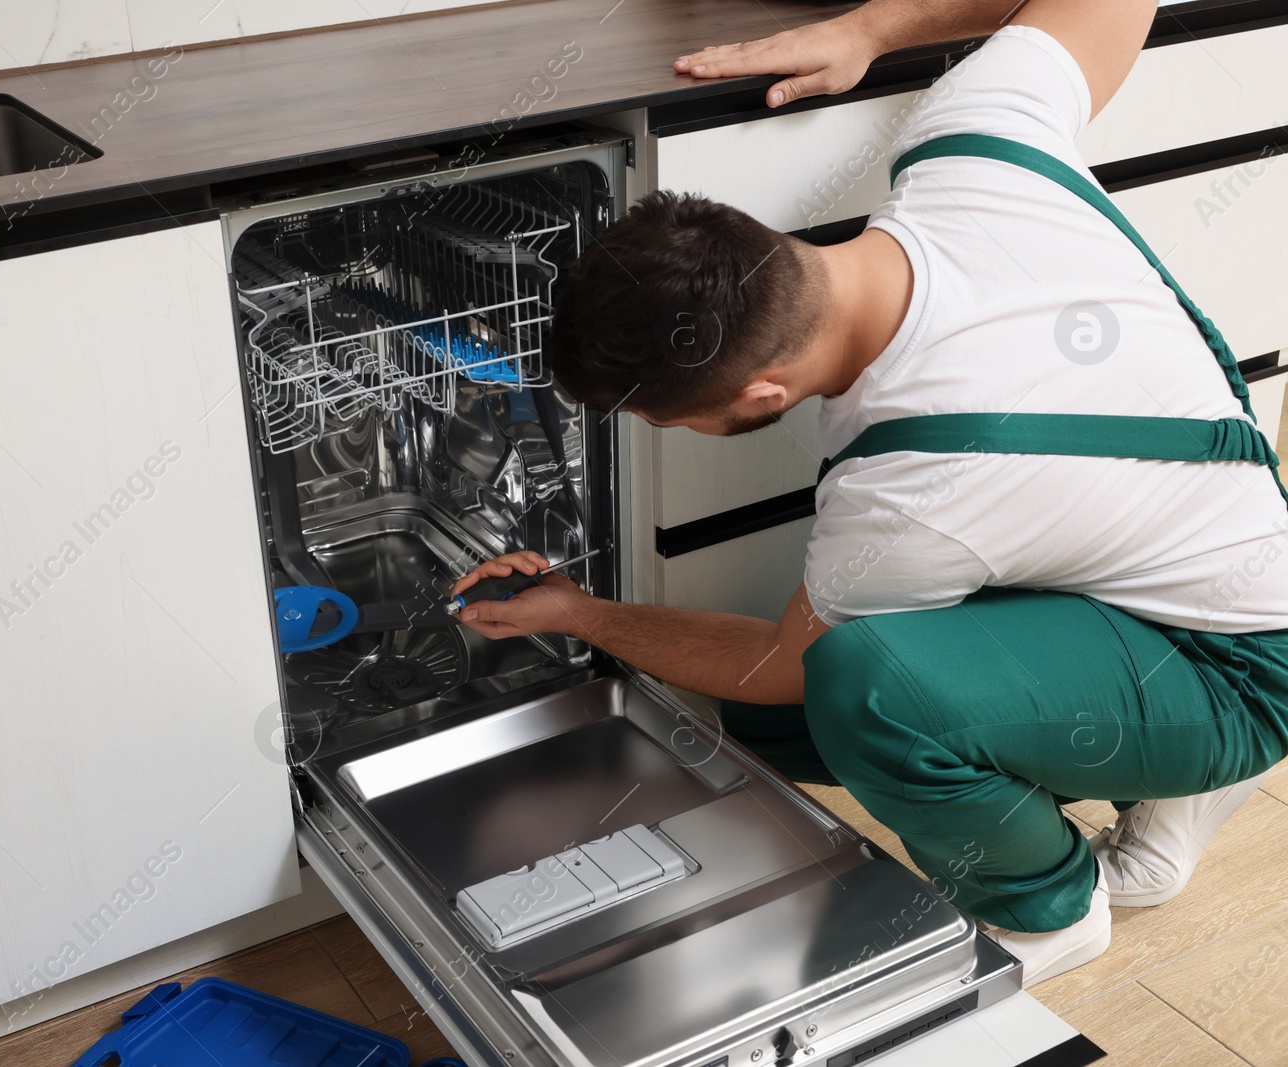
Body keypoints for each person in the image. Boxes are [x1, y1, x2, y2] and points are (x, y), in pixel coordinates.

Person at [449, 0, 1288, 987]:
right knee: (777, 724)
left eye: (666, 422)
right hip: (1195, 541)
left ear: (762, 393)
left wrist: (583, 612)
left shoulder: (908, 494)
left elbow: (779, 659)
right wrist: (876, 28)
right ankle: (1138, 768)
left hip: (1241, 669)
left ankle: (1050, 906)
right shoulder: (970, 141)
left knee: (860, 689)